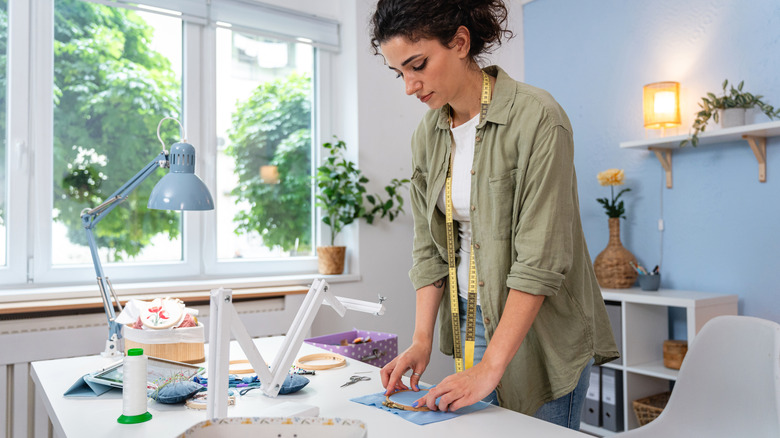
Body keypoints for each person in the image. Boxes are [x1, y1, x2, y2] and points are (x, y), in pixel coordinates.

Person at [369, 0, 619, 430]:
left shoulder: (539, 118)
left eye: (418, 65)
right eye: (400, 73)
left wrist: (490, 367)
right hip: (471, 319)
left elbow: (540, 260)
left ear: (461, 42)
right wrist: (421, 340)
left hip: (542, 330)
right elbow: (429, 248)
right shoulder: (428, 135)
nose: (410, 86)